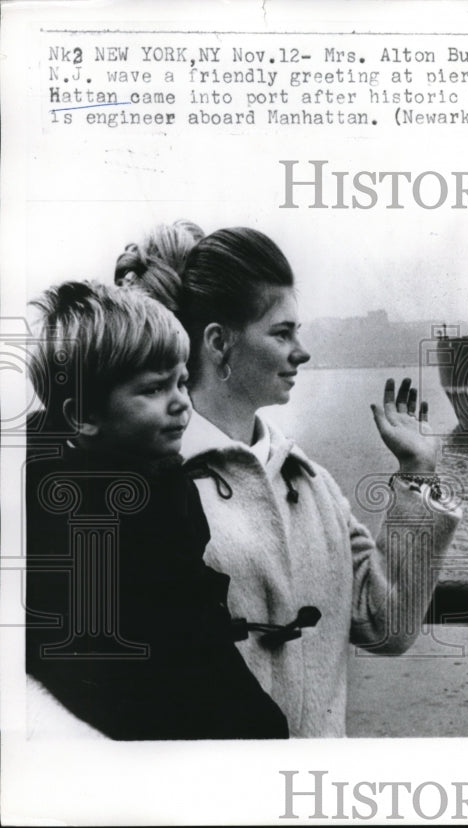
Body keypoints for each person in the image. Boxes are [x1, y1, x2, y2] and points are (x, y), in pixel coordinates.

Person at [122, 224, 460, 737]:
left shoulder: (311, 483)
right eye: (282, 333)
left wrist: (416, 475)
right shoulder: (148, 489)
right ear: (219, 343)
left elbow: (385, 624)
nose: (302, 351)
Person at [24, 280, 289, 740]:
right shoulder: (103, 522)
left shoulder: (155, 485)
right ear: (82, 415)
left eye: (182, 380)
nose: (181, 403)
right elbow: (170, 663)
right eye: (152, 389)